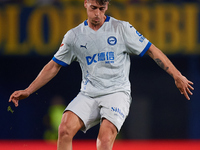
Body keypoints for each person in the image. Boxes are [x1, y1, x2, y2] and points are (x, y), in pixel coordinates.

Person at [9, 0, 194, 149]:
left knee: (104, 140)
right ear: (85, 3)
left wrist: (177, 75)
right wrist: (28, 90)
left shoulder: (122, 29)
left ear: (107, 6)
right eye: (93, 8)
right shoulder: (74, 36)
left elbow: (152, 50)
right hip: (88, 94)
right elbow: (53, 66)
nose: (97, 13)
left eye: (102, 8)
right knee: (64, 128)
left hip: (116, 93)